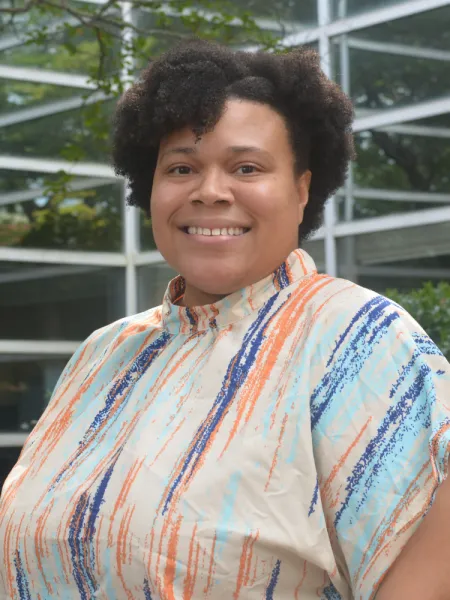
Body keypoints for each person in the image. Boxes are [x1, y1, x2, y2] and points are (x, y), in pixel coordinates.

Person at [0, 39, 449, 600]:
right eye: (182, 167)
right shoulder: (104, 352)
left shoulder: (358, 339)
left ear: (302, 188)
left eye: (247, 167)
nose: (211, 192)